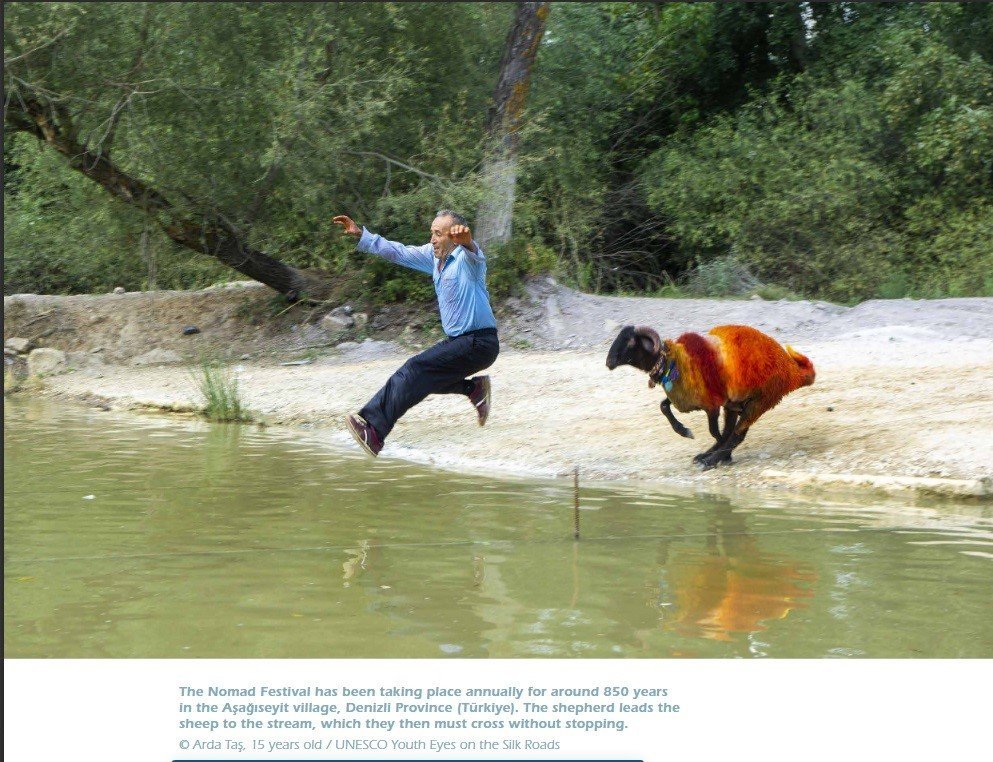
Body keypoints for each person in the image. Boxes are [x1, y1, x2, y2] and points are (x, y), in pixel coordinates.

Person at [332, 210, 499, 457]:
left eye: (438, 234)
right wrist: (361, 235)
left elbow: (475, 256)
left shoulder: (467, 262)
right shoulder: (433, 258)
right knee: (422, 380)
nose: (432, 239)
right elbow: (398, 251)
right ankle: (474, 389)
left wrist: (469, 243)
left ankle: (374, 431)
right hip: (461, 343)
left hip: (479, 342)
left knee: (414, 369)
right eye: (432, 232)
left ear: (454, 238)